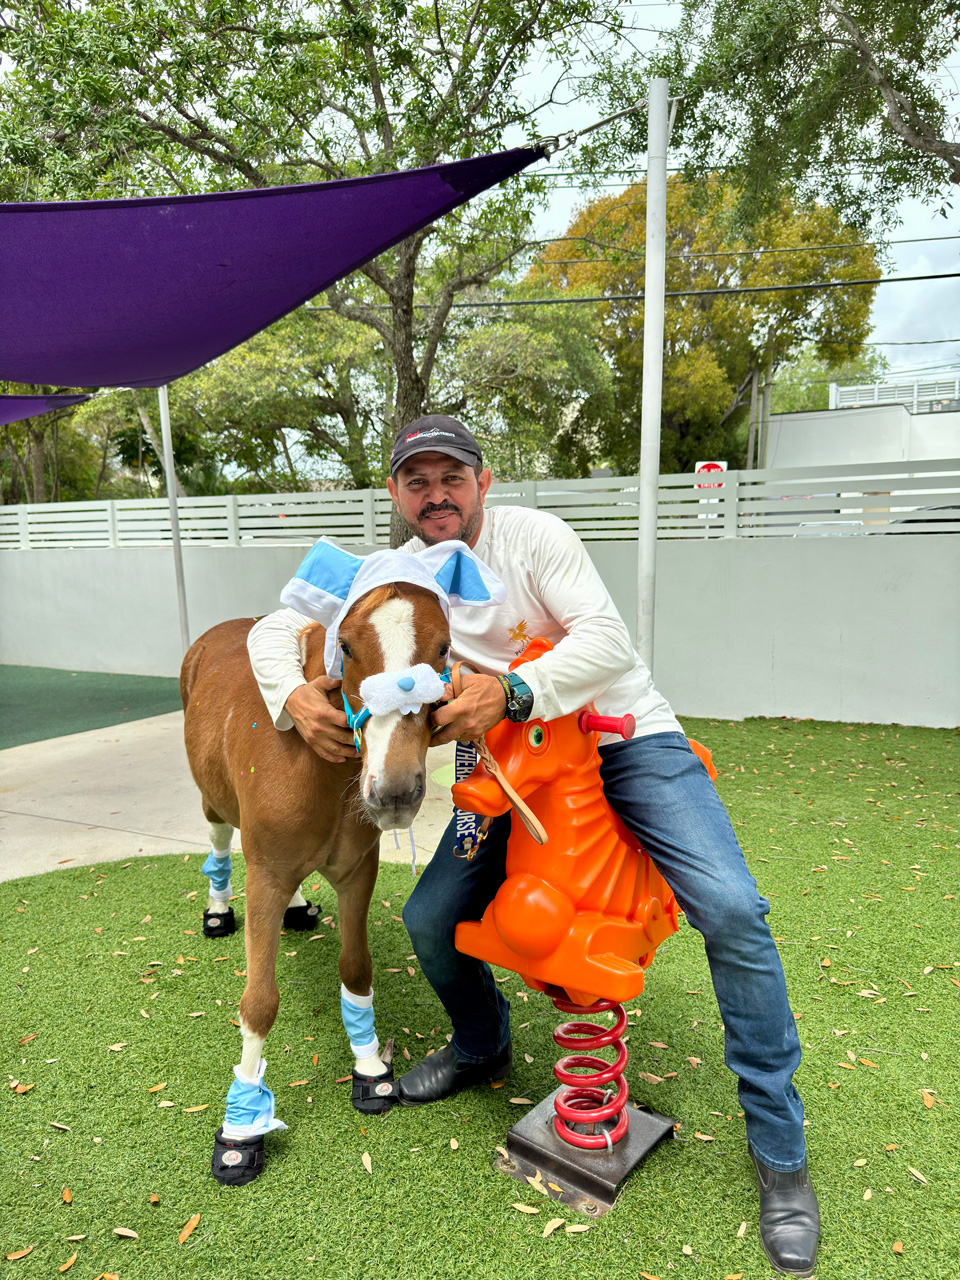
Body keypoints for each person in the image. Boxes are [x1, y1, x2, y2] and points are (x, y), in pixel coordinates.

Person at [247, 415, 820, 1278]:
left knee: (734, 909)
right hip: (507, 767)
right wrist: (290, 694)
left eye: (452, 476)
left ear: (482, 482)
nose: (436, 494)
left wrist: (514, 690)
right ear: (396, 494)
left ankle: (780, 1149)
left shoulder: (534, 538)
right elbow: (270, 626)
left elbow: (608, 642)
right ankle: (482, 1043)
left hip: (626, 739)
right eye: (416, 480)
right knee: (431, 917)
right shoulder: (394, 578)